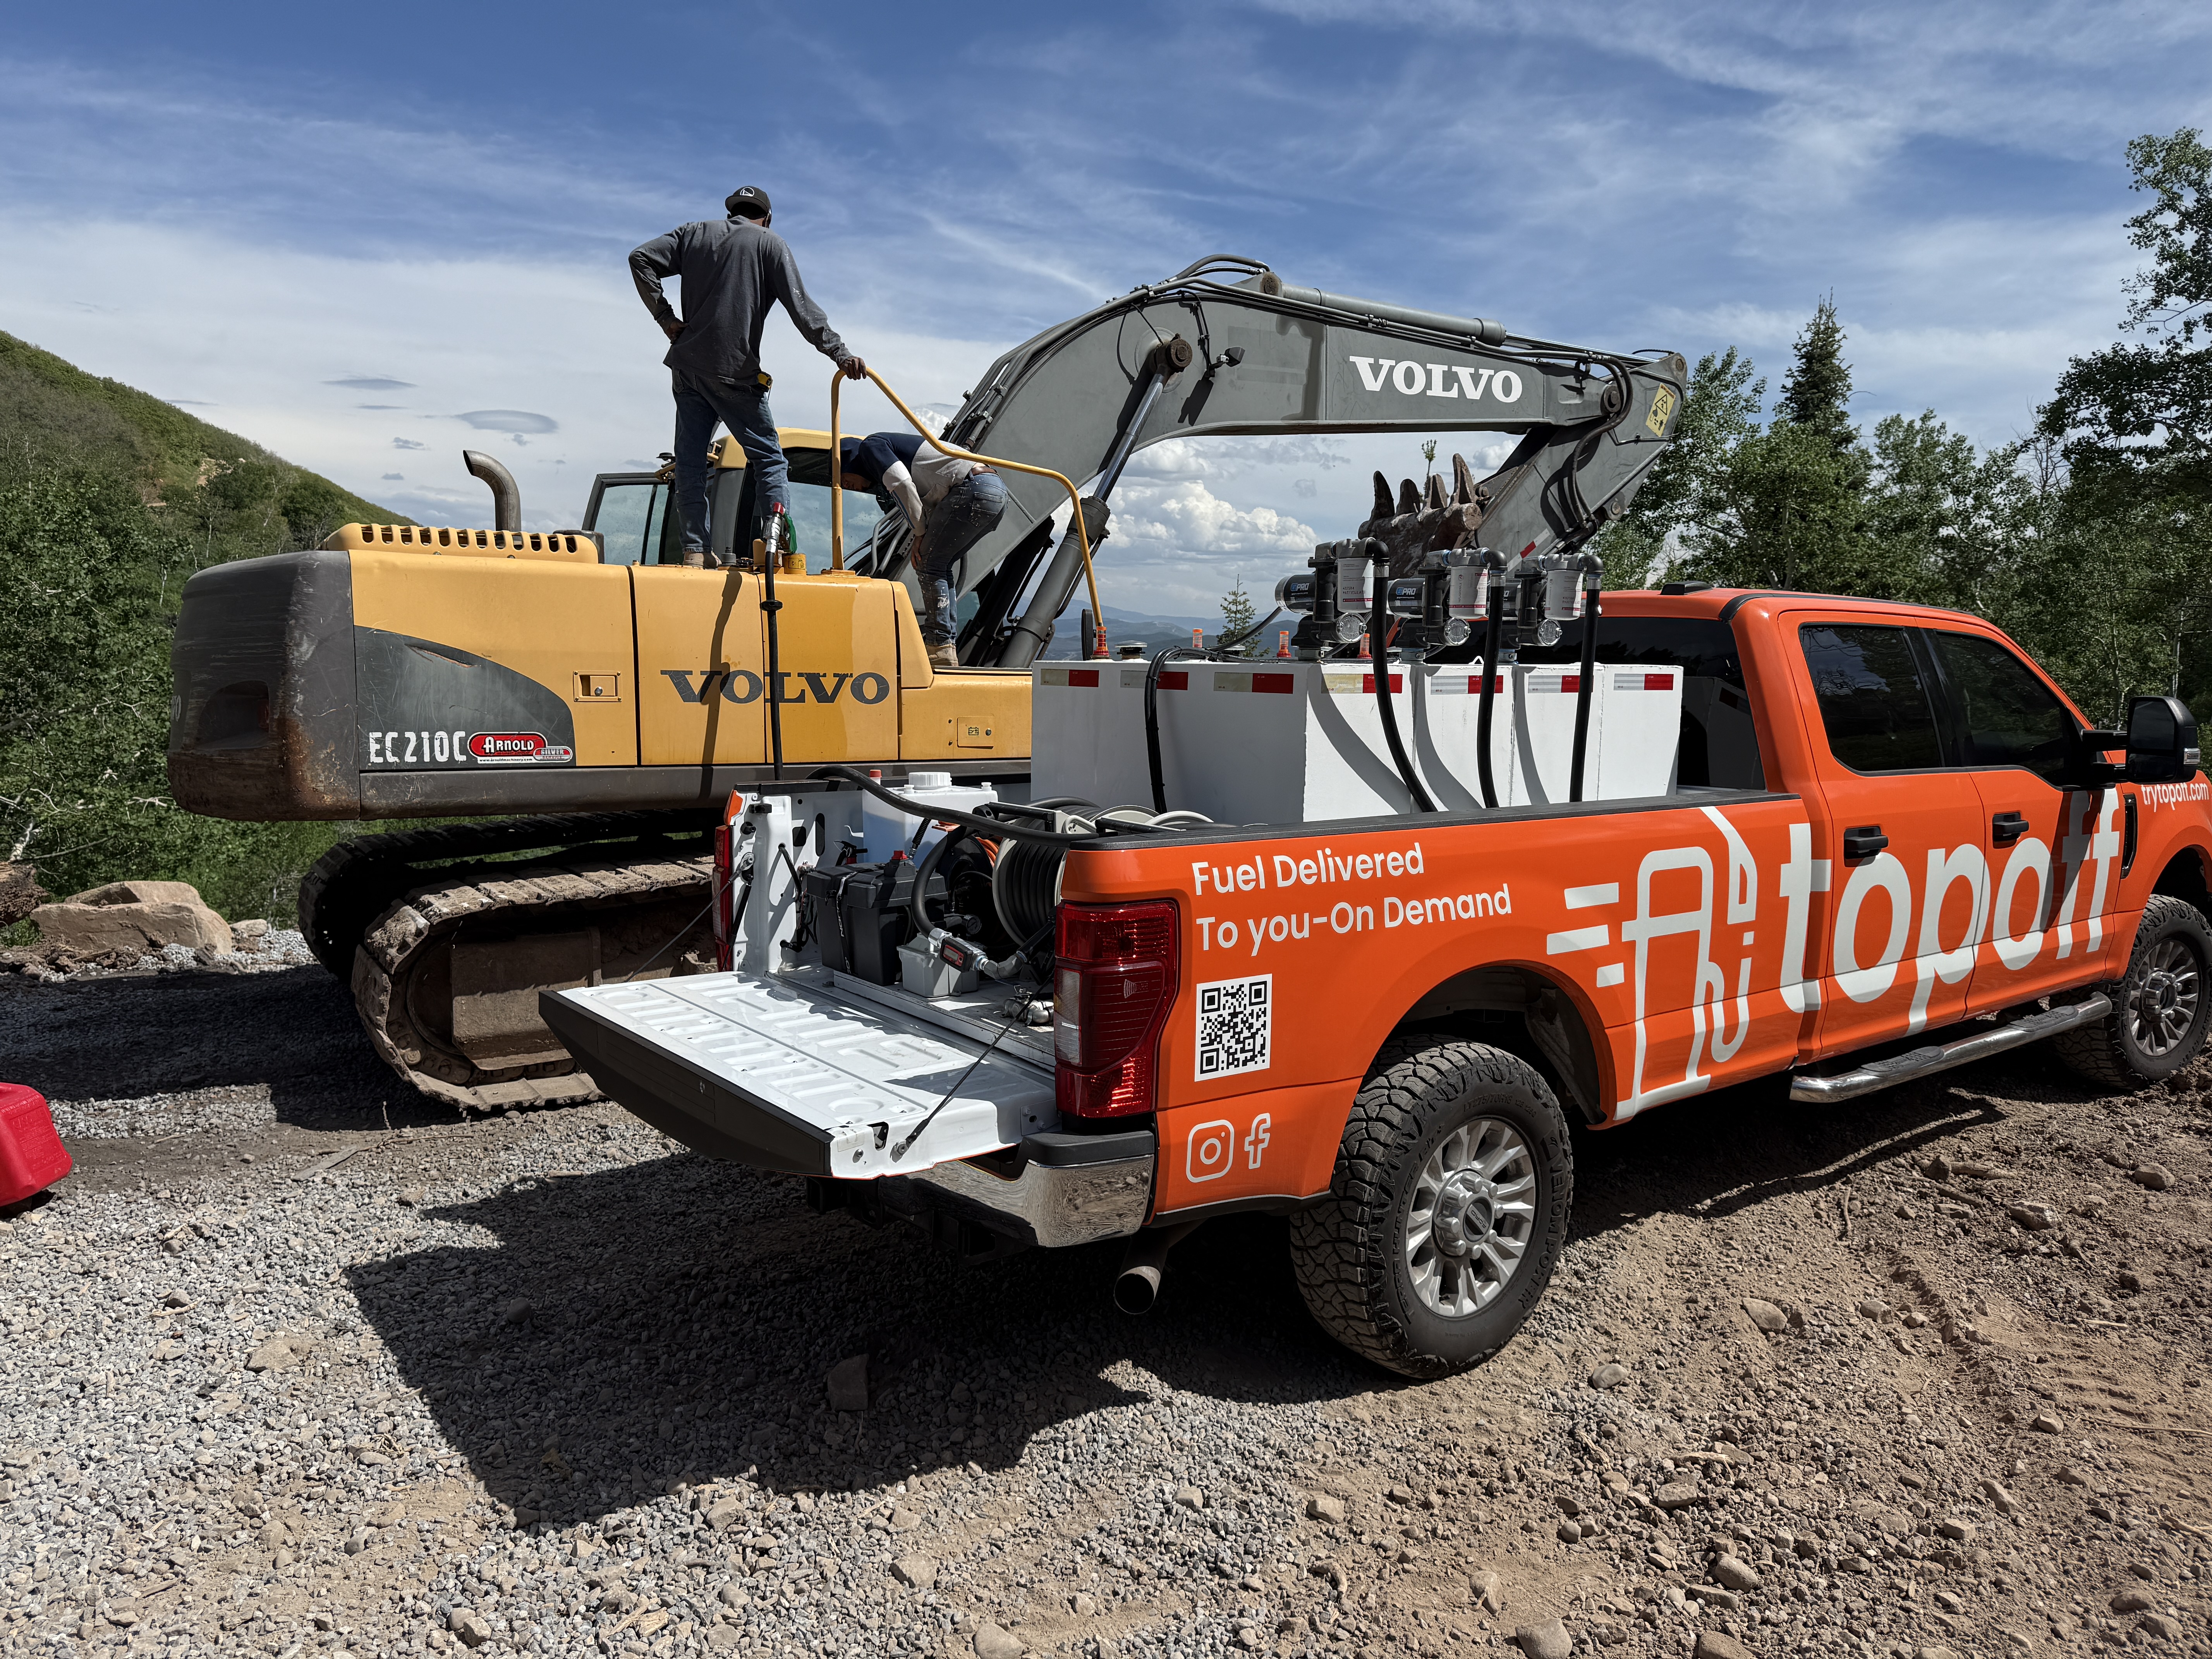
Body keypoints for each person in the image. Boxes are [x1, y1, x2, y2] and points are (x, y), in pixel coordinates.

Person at [629, 185, 866, 568]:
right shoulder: (770, 244)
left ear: (731, 213)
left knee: (690, 463)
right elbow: (804, 313)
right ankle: (776, 549)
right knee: (770, 461)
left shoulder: (693, 234)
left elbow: (640, 258)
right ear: (767, 219)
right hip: (735, 374)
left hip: (688, 368)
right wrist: (841, 354)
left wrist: (666, 318)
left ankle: (694, 551)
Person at [839, 431, 1008, 668]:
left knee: (928, 563)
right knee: (940, 564)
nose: (843, 485)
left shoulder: (871, 447)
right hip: (994, 492)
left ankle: (939, 645)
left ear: (850, 459)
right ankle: (945, 645)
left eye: (841, 475)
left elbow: (902, 484)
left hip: (973, 488)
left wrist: (919, 534)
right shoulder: (909, 460)